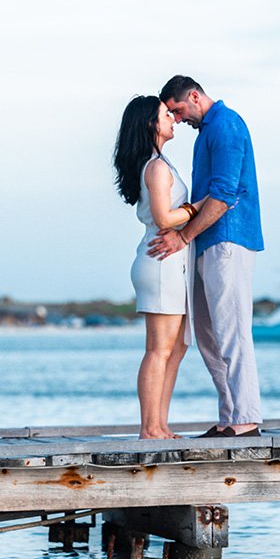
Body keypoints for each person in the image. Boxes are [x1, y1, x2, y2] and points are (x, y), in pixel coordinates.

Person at [148, 76, 264, 438]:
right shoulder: (207, 133)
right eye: (172, 114)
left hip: (228, 240)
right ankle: (231, 416)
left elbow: (224, 195)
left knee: (232, 330)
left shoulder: (226, 126)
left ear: (195, 96)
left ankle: (246, 419)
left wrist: (183, 236)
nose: (178, 119)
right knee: (209, 335)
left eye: (179, 110)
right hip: (207, 241)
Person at [113, 95, 207, 439]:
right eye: (165, 114)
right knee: (159, 348)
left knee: (177, 347)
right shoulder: (155, 167)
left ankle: (160, 424)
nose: (172, 118)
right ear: (151, 124)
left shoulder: (160, 162)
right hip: (160, 263)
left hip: (171, 262)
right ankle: (149, 428)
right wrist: (198, 207)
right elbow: (164, 217)